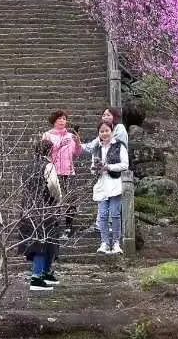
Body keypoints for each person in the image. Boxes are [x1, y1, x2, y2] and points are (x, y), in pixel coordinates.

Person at [19, 138, 64, 291]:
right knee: (43, 242)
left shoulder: (27, 166)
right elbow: (53, 186)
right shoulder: (48, 165)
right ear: (50, 151)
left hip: (28, 208)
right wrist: (58, 200)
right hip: (45, 208)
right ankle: (37, 277)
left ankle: (44, 274)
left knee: (41, 242)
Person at [83, 120, 129, 255]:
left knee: (115, 214)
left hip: (115, 184)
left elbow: (125, 164)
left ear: (112, 131)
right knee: (102, 215)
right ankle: (104, 242)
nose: (104, 133)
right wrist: (95, 168)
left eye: (106, 130)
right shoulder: (97, 148)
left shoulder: (119, 146)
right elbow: (92, 168)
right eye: (101, 131)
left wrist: (108, 167)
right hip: (102, 184)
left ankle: (116, 243)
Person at [43, 109, 83, 234]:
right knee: (53, 199)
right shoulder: (47, 135)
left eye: (64, 119)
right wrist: (59, 145)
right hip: (53, 171)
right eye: (59, 118)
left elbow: (77, 153)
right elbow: (44, 151)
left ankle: (68, 226)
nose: (62, 121)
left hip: (69, 172)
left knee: (71, 199)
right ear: (54, 121)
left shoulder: (70, 136)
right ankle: (53, 225)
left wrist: (77, 142)